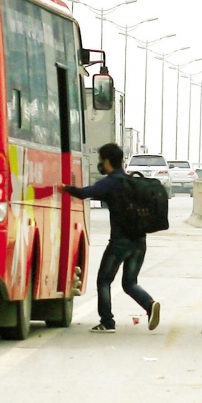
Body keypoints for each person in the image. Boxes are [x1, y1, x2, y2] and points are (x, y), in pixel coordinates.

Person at [58, 142, 160, 333]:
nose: (100, 164)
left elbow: (85, 193)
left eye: (100, 160)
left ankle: (107, 321)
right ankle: (149, 304)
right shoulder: (131, 181)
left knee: (104, 281)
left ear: (106, 161)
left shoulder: (110, 182)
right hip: (139, 242)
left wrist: (66, 188)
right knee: (130, 283)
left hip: (119, 243)